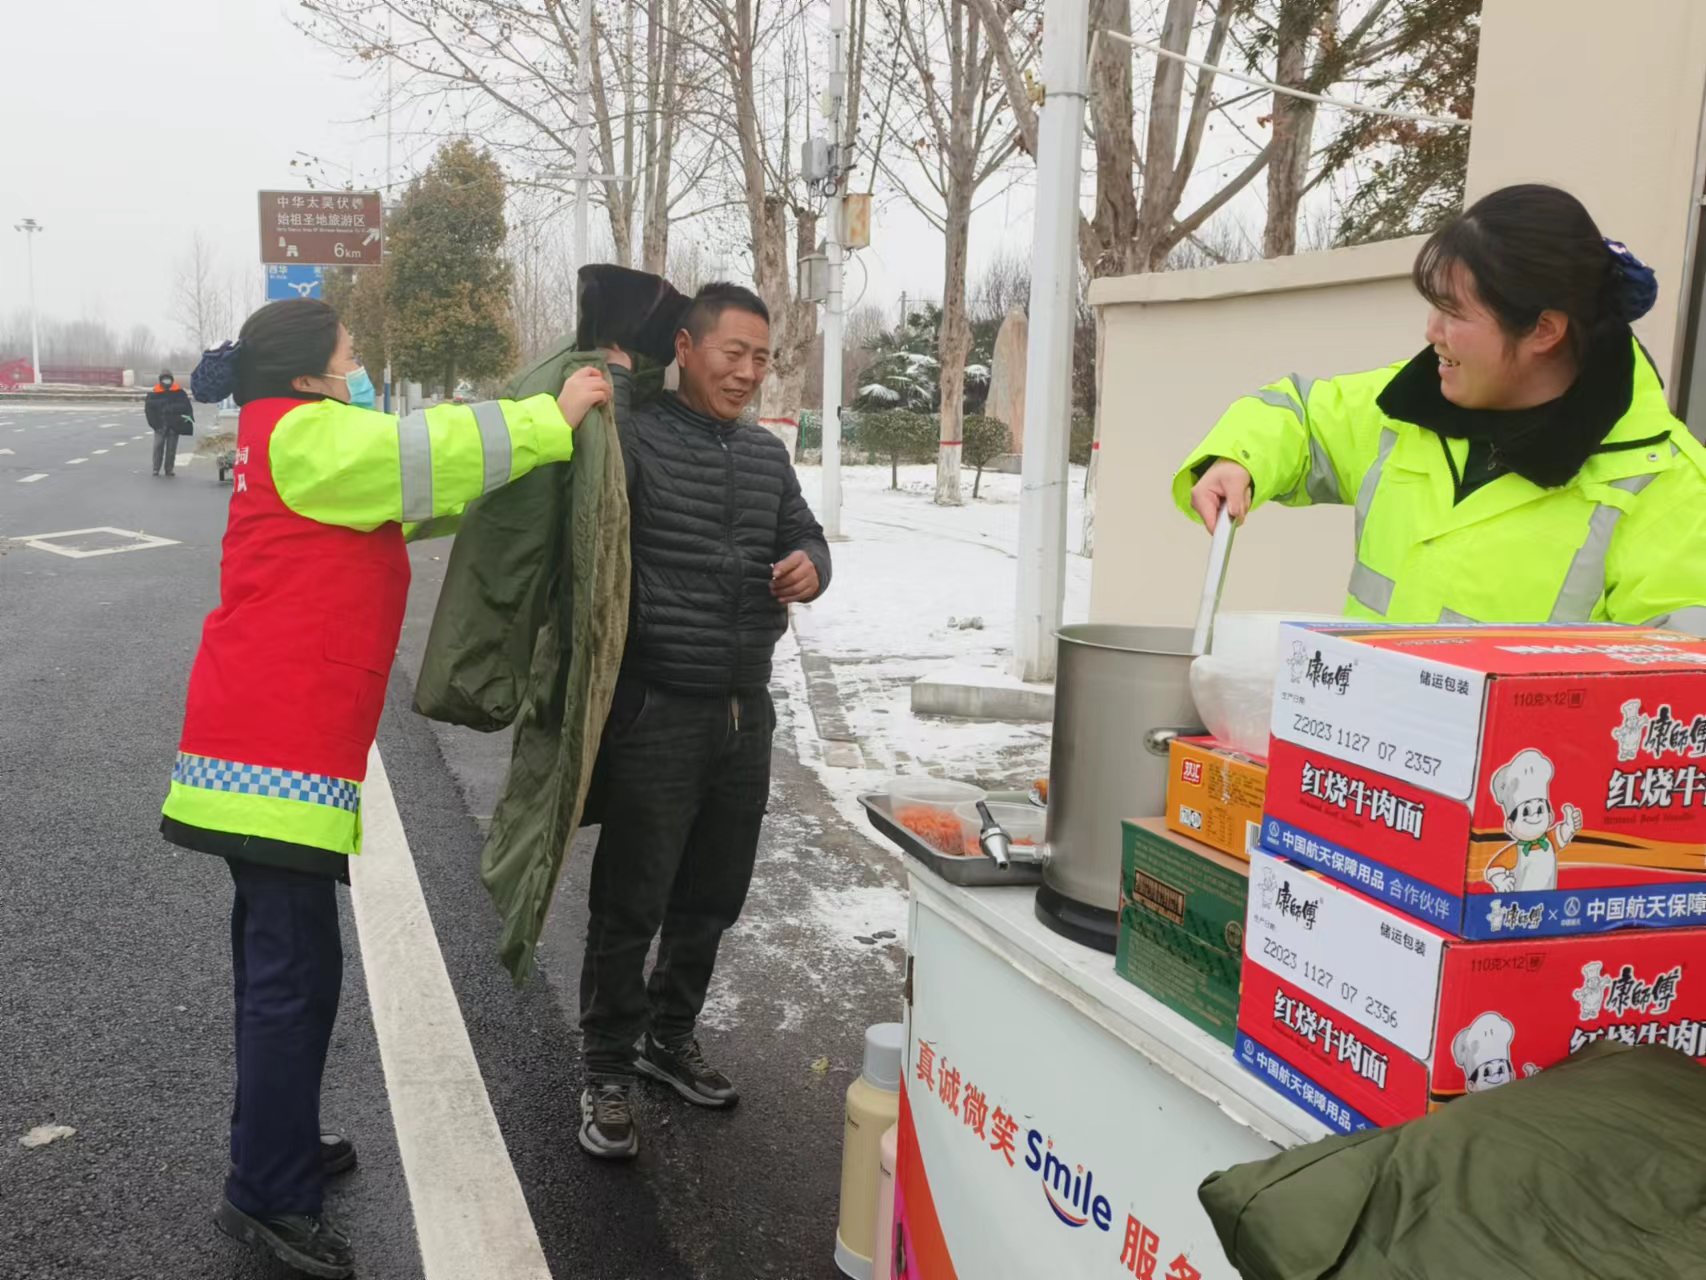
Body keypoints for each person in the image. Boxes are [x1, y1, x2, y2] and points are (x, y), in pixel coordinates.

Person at [161, 298, 611, 1278]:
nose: (358, 366)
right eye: (349, 355)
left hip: (265, 752)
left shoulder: (301, 443)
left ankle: (274, 1139)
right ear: (310, 377)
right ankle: (266, 1190)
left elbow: (419, 492)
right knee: (291, 982)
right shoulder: (308, 436)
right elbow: (428, 450)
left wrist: (517, 459)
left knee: (286, 974)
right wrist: (550, 416)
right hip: (268, 762)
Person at [1179, 184, 1706, 633]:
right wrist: (1238, 459)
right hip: (1355, 719)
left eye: (1453, 312)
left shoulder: (1667, 490)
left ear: (1544, 329)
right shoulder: (1409, 407)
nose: (1432, 331)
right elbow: (1300, 415)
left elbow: (1678, 686)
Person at [578, 282, 832, 1160]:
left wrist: (809, 564)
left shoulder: (765, 455)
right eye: (734, 353)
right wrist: (610, 377)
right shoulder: (635, 437)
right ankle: (606, 1065)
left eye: (761, 357)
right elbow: (587, 508)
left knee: (712, 895)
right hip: (656, 706)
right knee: (631, 900)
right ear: (686, 349)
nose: (748, 372)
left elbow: (807, 536)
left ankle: (668, 1034)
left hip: (743, 711)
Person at [144, 369, 194, 477]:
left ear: (172, 380)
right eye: (164, 379)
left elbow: (186, 407)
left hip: (174, 425)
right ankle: (156, 468)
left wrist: (173, 410)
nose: (166, 381)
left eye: (168, 379)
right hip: (160, 425)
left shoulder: (179, 392)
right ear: (160, 380)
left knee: (171, 449)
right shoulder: (154, 393)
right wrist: (154, 424)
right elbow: (149, 410)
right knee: (158, 447)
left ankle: (169, 469)